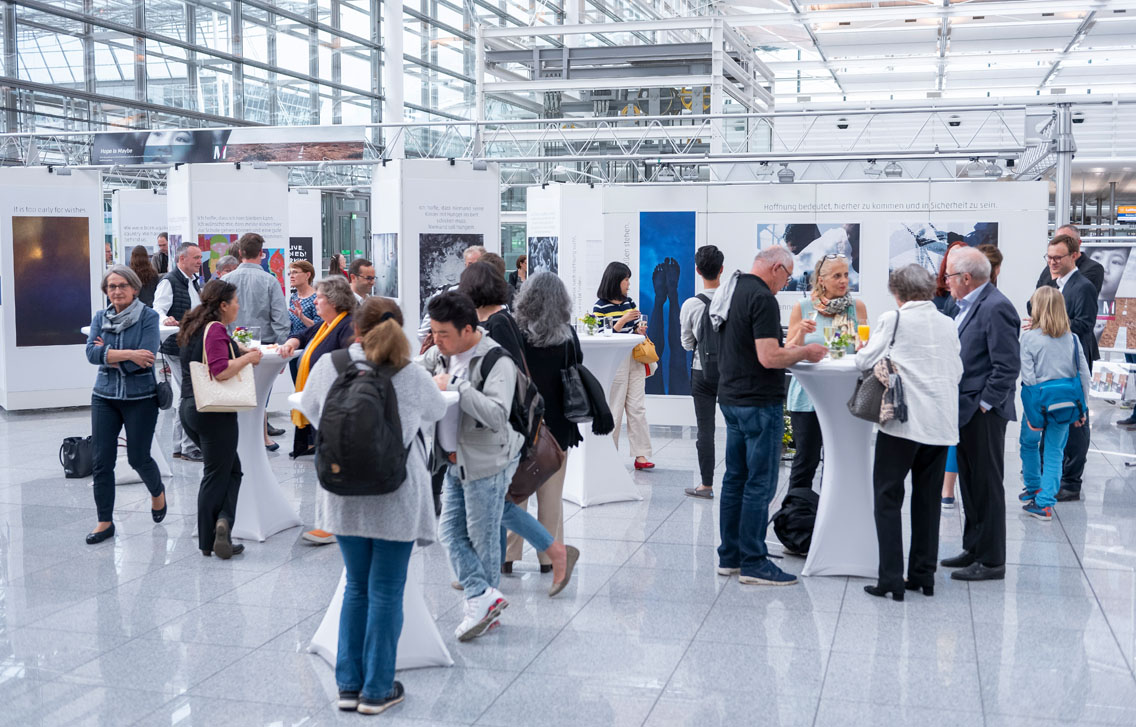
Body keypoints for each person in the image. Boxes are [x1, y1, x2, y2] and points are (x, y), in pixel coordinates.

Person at [299, 297, 445, 716]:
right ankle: (378, 690)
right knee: (385, 592)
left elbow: (310, 411)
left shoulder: (332, 364)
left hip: (343, 494)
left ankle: (348, 686)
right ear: (399, 328)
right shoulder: (411, 372)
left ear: (355, 329)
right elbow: (435, 411)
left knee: (355, 587)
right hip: (396, 493)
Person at [710, 246, 826, 586]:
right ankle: (754, 562)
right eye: (787, 277)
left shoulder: (732, 291)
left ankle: (730, 556)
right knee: (760, 483)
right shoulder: (762, 298)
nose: (784, 284)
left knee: (735, 480)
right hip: (759, 403)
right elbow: (768, 356)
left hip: (731, 398)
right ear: (776, 268)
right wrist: (805, 351)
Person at [458, 264, 578, 585]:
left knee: (515, 491)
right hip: (557, 426)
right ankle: (547, 561)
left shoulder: (514, 329)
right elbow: (575, 373)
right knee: (551, 495)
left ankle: (509, 558)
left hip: (523, 422)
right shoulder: (569, 335)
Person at [857, 265, 962, 601]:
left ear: (897, 292)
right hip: (940, 424)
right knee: (927, 500)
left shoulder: (894, 319)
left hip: (903, 422)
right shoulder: (948, 323)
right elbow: (956, 370)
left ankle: (890, 577)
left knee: (887, 497)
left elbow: (865, 361)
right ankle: (923, 576)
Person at [420, 291, 521, 641]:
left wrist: (458, 386)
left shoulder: (496, 361)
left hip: (485, 463)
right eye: (433, 332)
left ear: (467, 329)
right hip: (451, 462)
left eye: (443, 334)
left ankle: (483, 607)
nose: (436, 340)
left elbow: (496, 414)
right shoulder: (439, 355)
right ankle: (484, 597)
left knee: (483, 540)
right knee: (449, 533)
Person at [940, 246, 1020, 582]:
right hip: (965, 410)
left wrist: (985, 403)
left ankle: (991, 560)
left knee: (986, 484)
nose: (946, 283)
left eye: (949, 277)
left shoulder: (996, 307)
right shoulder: (966, 306)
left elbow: (1007, 365)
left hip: (982, 412)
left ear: (966, 278)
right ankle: (973, 548)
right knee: (970, 483)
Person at [177, 280, 263, 559]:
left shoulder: (197, 326)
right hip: (213, 412)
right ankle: (209, 538)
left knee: (230, 470)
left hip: (191, 408)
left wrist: (241, 350)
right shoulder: (214, 329)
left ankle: (222, 523)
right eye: (235, 301)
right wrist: (248, 360)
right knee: (216, 474)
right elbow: (220, 370)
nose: (238, 305)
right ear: (223, 305)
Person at [83, 266, 167, 544]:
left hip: (140, 399)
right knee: (101, 462)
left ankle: (157, 493)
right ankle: (104, 522)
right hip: (104, 396)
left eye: (121, 286)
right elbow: (91, 354)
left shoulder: (148, 316)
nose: (116, 291)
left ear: (134, 288)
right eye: (111, 287)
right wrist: (128, 353)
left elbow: (146, 359)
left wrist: (109, 353)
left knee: (137, 458)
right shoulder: (100, 317)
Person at [783, 254, 867, 502]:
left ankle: (833, 516)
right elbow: (788, 352)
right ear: (821, 280)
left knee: (838, 461)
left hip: (844, 396)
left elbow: (863, 347)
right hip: (808, 396)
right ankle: (796, 519)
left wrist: (864, 346)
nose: (844, 281)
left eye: (846, 274)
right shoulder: (803, 307)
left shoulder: (857, 308)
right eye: (837, 276)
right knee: (805, 459)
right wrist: (799, 332)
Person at [1028, 233, 1099, 502]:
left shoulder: (1082, 287)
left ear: (1074, 256)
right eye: (1049, 257)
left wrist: (1048, 326)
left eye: (1058, 258)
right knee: (1056, 418)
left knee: (1076, 421)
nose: (1052, 262)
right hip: (1054, 364)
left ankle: (1071, 481)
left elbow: (1083, 325)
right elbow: (1033, 303)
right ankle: (1054, 476)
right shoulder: (1052, 280)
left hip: (1071, 363)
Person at [278, 276, 356, 522]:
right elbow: (303, 334)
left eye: (320, 297)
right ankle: (327, 517)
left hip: (335, 406)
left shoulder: (348, 326)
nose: (316, 301)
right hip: (322, 404)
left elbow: (350, 362)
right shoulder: (325, 324)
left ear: (333, 301)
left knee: (336, 464)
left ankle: (335, 519)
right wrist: (292, 340)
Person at [1018, 286, 1091, 521]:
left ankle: (1033, 487)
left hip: (1037, 404)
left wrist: (1032, 415)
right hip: (1066, 406)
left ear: (1036, 309)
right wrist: (1084, 409)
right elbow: (1084, 376)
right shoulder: (1072, 339)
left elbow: (1028, 379)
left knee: (1029, 445)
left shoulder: (1029, 339)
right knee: (1054, 452)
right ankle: (1045, 503)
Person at [225, 232, 289, 450]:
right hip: (266, 347)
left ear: (240, 253)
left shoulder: (226, 281)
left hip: (235, 346)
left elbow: (217, 318)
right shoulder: (270, 281)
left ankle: (243, 438)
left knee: (237, 394)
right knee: (261, 395)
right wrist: (281, 352)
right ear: (261, 254)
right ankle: (260, 438)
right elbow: (281, 319)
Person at [593, 262, 654, 470]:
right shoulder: (600, 306)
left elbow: (635, 329)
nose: (628, 284)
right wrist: (622, 322)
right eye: (625, 279)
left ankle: (642, 455)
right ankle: (609, 453)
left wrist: (639, 330)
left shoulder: (630, 303)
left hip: (634, 357)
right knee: (615, 407)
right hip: (615, 360)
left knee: (638, 407)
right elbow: (601, 335)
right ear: (615, 280)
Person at [679, 245, 724, 499]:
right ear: (722, 269)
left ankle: (706, 485)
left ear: (697, 270)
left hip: (701, 372)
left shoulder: (691, 305)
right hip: (731, 372)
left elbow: (686, 343)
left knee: (705, 430)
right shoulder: (732, 299)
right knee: (738, 427)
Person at [154, 241, 204, 462]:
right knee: (188, 396)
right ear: (181, 259)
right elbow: (157, 309)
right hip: (177, 347)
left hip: (189, 346)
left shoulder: (193, 282)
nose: (199, 262)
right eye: (196, 258)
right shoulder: (169, 281)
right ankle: (188, 447)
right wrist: (166, 319)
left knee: (185, 396)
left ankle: (180, 446)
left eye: (200, 258)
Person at [934, 240, 967, 508]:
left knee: (953, 432)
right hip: (936, 372)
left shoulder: (972, 301)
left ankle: (948, 488)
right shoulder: (936, 298)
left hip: (959, 373)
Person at [418, 245, 486, 344]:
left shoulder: (494, 296)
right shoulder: (447, 293)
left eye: (477, 265)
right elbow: (423, 334)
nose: (473, 269)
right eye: (470, 264)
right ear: (465, 265)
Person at [1034, 224, 1104, 296]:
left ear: (1078, 243)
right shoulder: (1049, 268)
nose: (1059, 245)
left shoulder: (1093, 269)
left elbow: (1074, 298)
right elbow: (1033, 302)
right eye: (1057, 241)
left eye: (1066, 241)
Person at [287, 260, 321, 383]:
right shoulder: (294, 297)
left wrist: (302, 317)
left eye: (295, 272)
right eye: (290, 273)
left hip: (309, 349)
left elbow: (318, 327)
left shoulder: (316, 298)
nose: (291, 276)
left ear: (307, 275)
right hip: (294, 349)